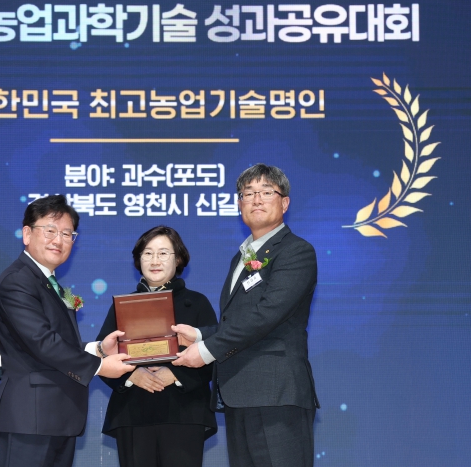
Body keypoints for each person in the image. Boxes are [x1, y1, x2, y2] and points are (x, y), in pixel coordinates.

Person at [173, 164, 320, 467]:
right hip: (239, 392)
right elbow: (239, 319)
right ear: (239, 204)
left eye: (266, 192)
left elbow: (267, 314)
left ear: (285, 203)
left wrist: (206, 350)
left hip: (276, 394)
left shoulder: (296, 251)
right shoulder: (241, 257)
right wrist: (200, 335)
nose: (256, 199)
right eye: (248, 193)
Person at [0, 194, 135, 467]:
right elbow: (42, 342)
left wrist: (98, 348)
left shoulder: (49, 283)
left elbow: (59, 341)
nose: (58, 240)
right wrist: (100, 367)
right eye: (50, 230)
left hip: (57, 417)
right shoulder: (18, 280)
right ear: (26, 234)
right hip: (30, 419)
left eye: (67, 234)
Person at [97, 226, 218, 467]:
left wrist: (175, 374)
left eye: (163, 253)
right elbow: (102, 354)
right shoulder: (122, 305)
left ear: (178, 258)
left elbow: (215, 353)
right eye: (148, 253)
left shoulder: (197, 303)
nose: (154, 261)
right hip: (133, 411)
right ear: (138, 259)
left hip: (184, 411)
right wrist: (132, 376)